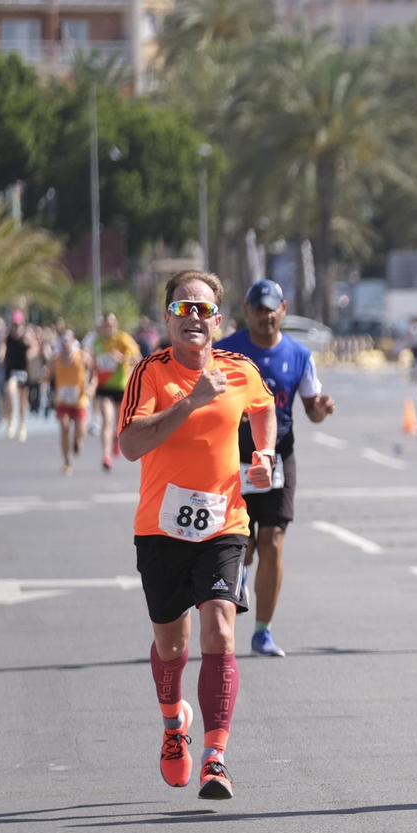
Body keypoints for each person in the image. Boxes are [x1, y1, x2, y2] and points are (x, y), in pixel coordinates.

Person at [119, 270, 277, 800]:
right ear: (167, 318)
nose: (194, 317)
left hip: (224, 524)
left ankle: (216, 757)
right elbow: (130, 446)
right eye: (183, 308)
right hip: (161, 530)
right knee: (172, 644)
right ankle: (172, 725)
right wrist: (190, 401)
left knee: (221, 633)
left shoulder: (241, 369)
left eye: (203, 309)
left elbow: (264, 408)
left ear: (217, 320)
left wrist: (264, 455)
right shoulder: (150, 374)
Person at [215, 279, 335, 659]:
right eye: (258, 309)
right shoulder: (226, 351)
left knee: (272, 542)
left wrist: (321, 409)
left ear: (283, 310)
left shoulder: (299, 355)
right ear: (247, 311)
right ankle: (240, 578)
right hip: (233, 458)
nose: (265, 316)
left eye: (272, 309)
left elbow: (312, 410)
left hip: (278, 458)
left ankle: (262, 632)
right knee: (241, 548)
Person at [91, 313, 142, 472]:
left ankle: (116, 437)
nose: (108, 327)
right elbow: (93, 361)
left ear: (116, 325)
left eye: (111, 324)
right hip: (104, 387)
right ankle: (106, 455)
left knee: (119, 422)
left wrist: (121, 358)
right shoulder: (97, 342)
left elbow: (138, 357)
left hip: (121, 386)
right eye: (106, 324)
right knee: (106, 418)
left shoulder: (123, 339)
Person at [46, 332, 95, 475]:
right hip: (62, 401)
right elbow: (48, 374)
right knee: (64, 426)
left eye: (68, 341)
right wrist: (46, 373)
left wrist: (91, 385)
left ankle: (78, 440)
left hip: (79, 400)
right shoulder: (56, 358)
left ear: (73, 342)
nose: (66, 344)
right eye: (63, 342)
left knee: (81, 431)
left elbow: (93, 371)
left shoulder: (83, 356)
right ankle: (67, 462)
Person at [0, 311, 36, 441]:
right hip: (11, 370)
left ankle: (22, 425)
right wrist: (1, 355)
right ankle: (11, 419)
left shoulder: (27, 335)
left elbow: (35, 347)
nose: (16, 328)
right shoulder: (7, 336)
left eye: (18, 325)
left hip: (23, 370)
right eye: (14, 325)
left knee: (22, 400)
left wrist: (30, 352)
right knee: (10, 390)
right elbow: (2, 346)